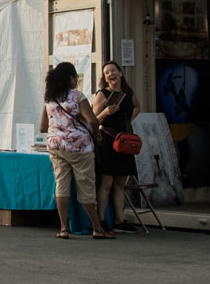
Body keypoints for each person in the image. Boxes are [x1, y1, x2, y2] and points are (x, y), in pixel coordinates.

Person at [39, 61, 108, 239]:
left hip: (56, 147)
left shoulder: (50, 99)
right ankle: (97, 228)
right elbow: (92, 120)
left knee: (61, 186)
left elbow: (42, 127)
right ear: (71, 78)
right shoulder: (77, 96)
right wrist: (96, 135)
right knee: (86, 186)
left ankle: (63, 228)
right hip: (80, 147)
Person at [92, 60, 141, 233]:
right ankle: (102, 220)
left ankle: (120, 220)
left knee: (121, 182)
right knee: (107, 182)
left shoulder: (128, 93)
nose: (110, 74)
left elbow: (137, 106)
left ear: (120, 73)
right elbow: (93, 120)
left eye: (113, 71)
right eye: (106, 73)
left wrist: (128, 119)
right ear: (105, 78)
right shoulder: (102, 94)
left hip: (124, 141)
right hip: (108, 141)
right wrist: (106, 112)